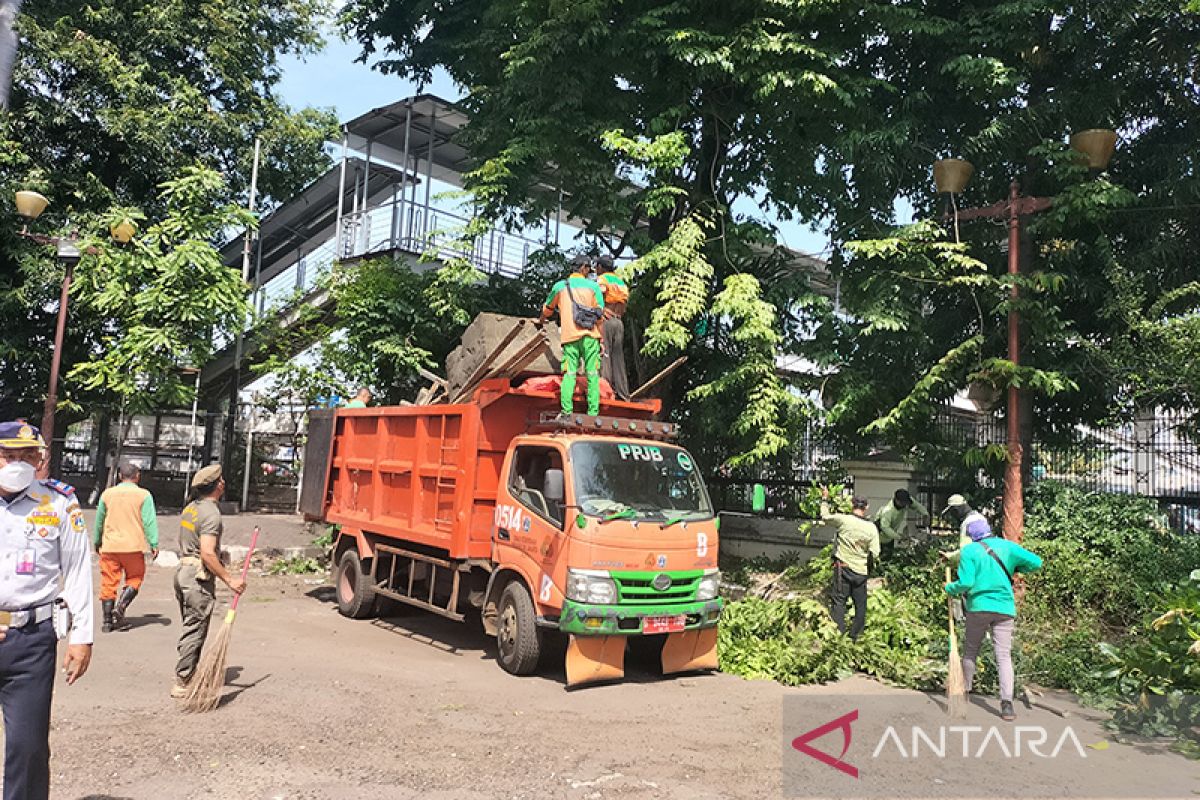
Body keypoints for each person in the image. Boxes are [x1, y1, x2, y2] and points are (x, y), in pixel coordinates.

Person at [0, 420, 93, 800]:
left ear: (41, 459)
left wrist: (82, 636)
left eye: (27, 455)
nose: (18, 462)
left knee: (29, 748)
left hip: (32, 642)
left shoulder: (58, 502)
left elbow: (77, 568)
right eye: (8, 455)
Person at [944, 515, 1042, 721]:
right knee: (1003, 656)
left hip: (978, 607)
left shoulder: (969, 551)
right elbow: (1036, 562)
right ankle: (1007, 704)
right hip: (1005, 608)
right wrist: (1017, 568)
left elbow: (966, 583)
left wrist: (949, 588)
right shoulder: (1007, 547)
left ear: (971, 536)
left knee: (971, 651)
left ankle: (964, 693)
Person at [172, 464, 246, 698]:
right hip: (196, 578)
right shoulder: (212, 514)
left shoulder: (191, 508)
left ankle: (188, 672)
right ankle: (183, 680)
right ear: (219, 485)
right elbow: (206, 552)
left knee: (190, 626)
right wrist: (229, 579)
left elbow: (192, 543)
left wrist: (216, 555)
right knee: (195, 628)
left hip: (183, 572)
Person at [93, 461, 159, 632]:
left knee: (108, 582)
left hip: (110, 546)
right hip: (133, 547)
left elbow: (99, 520)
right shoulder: (144, 495)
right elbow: (149, 521)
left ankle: (107, 622)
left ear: (119, 476)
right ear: (137, 476)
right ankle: (120, 607)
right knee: (135, 578)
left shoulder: (107, 495)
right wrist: (154, 543)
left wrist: (97, 541)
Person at [539, 255, 605, 416]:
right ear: (584, 268)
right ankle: (593, 413)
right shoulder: (593, 287)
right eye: (589, 269)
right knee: (592, 375)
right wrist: (601, 339)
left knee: (569, 374)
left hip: (570, 338)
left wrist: (541, 321)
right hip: (591, 337)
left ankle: (567, 411)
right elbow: (600, 315)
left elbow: (547, 309)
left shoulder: (560, 286)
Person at [821, 491, 880, 641]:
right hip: (861, 572)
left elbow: (825, 517)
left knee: (839, 602)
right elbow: (876, 553)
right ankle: (855, 636)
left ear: (852, 504)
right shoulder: (871, 528)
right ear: (866, 507)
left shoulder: (844, 520)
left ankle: (838, 637)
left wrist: (824, 499)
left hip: (843, 569)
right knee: (861, 606)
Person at [595, 255, 631, 400]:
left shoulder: (602, 280)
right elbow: (624, 305)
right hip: (618, 321)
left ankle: (606, 391)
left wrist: (601, 313)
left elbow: (598, 297)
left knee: (604, 355)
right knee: (618, 357)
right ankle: (623, 394)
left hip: (607, 321)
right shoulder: (621, 283)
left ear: (600, 267)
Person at [873, 488, 929, 558]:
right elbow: (885, 528)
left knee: (889, 558)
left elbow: (916, 505)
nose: (906, 505)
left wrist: (925, 514)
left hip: (890, 538)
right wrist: (899, 537)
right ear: (897, 501)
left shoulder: (906, 500)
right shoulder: (888, 511)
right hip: (880, 539)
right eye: (904, 503)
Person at [940, 493, 990, 563]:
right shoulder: (981, 518)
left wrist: (949, 556)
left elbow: (965, 553)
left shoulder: (967, 523)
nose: (952, 516)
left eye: (952, 513)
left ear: (956, 510)